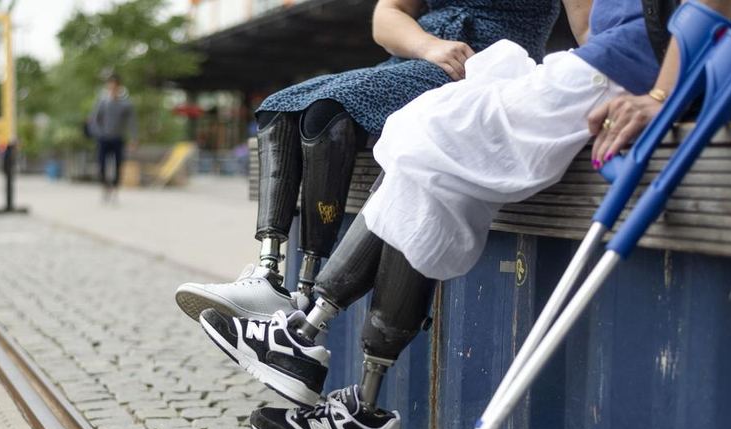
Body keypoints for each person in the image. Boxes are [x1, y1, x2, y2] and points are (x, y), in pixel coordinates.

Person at [197, 0, 731, 429]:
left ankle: (310, 344)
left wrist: (662, 93)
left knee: (428, 133)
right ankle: (346, 393)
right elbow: (587, 19)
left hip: (626, 76)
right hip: (598, 67)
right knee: (423, 134)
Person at [175, 0, 562, 322]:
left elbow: (596, 33)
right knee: (279, 106)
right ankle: (267, 273)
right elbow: (387, 16)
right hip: (422, 57)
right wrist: (428, 45)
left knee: (328, 111)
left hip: (485, 68)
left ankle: (302, 292)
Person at [88, 74, 136, 203]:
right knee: (101, 165)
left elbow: (132, 122)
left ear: (119, 86)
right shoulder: (102, 102)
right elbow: (94, 119)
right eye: (111, 84)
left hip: (118, 139)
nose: (113, 87)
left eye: (115, 85)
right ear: (108, 86)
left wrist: (133, 138)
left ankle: (115, 189)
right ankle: (105, 187)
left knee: (118, 166)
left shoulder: (126, 103)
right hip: (103, 139)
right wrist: (98, 132)